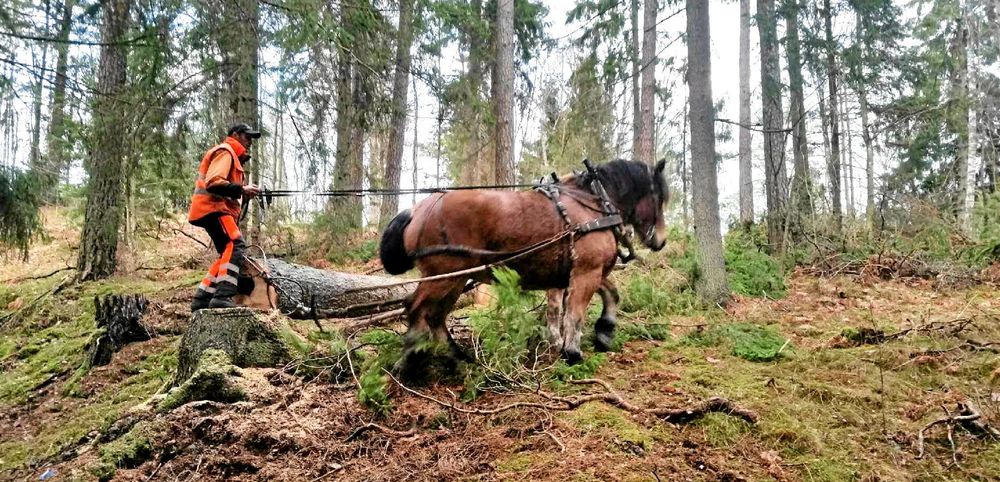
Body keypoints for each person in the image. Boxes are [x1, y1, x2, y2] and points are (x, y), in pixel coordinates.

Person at [187, 123, 262, 311]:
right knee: (236, 244)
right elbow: (214, 182)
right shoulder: (226, 151)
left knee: (227, 253)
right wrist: (241, 189)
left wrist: (243, 193)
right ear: (235, 135)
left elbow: (226, 188)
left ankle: (202, 298)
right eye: (247, 136)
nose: (249, 141)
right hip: (214, 208)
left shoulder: (233, 156)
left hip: (214, 209)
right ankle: (222, 296)